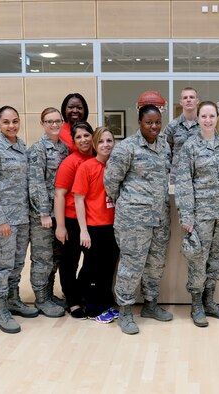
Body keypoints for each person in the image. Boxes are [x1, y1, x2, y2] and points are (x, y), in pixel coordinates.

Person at [105, 104, 172, 335]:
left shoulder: (164, 146)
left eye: (157, 122)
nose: (154, 126)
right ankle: (125, 311)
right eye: (149, 122)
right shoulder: (126, 148)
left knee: (155, 265)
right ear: (139, 123)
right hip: (133, 220)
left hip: (160, 217)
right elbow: (111, 182)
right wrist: (130, 204)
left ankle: (150, 305)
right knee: (131, 266)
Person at [175, 101, 219, 327]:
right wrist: (187, 217)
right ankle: (196, 304)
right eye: (203, 116)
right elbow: (184, 183)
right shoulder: (190, 147)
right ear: (198, 119)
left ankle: (210, 301)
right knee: (198, 259)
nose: (208, 120)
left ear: (217, 118)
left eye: (211, 116)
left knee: (218, 259)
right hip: (200, 215)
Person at [0, 105, 37, 334]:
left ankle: (13, 299)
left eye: (15, 121)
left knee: (16, 264)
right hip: (2, 221)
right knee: (1, 266)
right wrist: (0, 219)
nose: (11, 126)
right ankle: (0, 309)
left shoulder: (21, 146)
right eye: (6, 122)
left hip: (21, 217)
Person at [73, 127, 120, 324]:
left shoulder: (116, 167)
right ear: (94, 145)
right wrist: (83, 230)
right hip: (94, 228)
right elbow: (78, 199)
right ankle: (92, 308)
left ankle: (106, 303)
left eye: (109, 141)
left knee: (108, 269)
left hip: (113, 227)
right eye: (101, 141)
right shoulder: (87, 167)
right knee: (93, 269)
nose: (106, 145)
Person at [27, 107, 69, 318]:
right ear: (42, 124)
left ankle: (49, 294)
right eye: (49, 121)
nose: (54, 125)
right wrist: (43, 213)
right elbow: (35, 184)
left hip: (59, 213)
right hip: (42, 215)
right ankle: (41, 298)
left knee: (55, 257)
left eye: (57, 121)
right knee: (42, 258)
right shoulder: (38, 149)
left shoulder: (63, 148)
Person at [54, 122, 95, 319]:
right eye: (78, 137)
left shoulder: (98, 157)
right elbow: (59, 194)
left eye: (86, 135)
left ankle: (80, 292)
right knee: (70, 263)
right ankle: (73, 301)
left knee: (91, 262)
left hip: (93, 220)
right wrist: (60, 226)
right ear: (74, 140)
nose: (83, 140)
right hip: (71, 220)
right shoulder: (71, 162)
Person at [163, 87, 200, 172]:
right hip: (178, 177)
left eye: (191, 97)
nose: (188, 100)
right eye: (185, 98)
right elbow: (166, 153)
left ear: (197, 101)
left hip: (200, 177)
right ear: (181, 102)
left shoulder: (205, 125)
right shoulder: (172, 126)